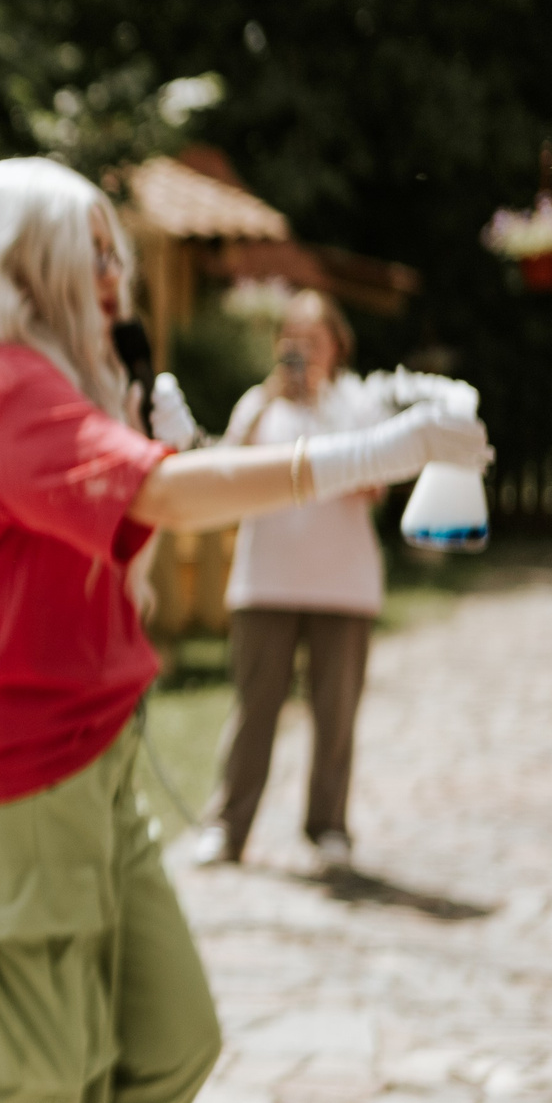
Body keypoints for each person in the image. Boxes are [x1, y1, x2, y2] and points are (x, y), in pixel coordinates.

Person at [0, 157, 488, 1103]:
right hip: (4, 778)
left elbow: (137, 514)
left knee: (166, 1045)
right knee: (37, 1072)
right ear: (28, 272)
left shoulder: (47, 390)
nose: (116, 275)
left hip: (85, 769)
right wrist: (367, 449)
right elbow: (160, 497)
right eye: (94, 254)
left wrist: (156, 434)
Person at [182, 291, 388, 872]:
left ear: (335, 345)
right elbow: (224, 478)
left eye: (311, 340)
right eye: (290, 339)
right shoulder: (257, 405)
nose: (299, 351)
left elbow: (374, 485)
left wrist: (323, 412)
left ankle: (328, 826)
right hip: (265, 581)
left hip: (343, 585)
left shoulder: (357, 403)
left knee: (336, 713)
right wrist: (267, 405)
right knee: (254, 710)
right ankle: (228, 827)